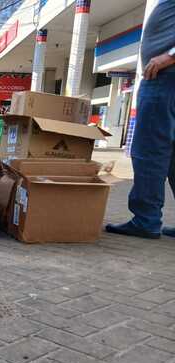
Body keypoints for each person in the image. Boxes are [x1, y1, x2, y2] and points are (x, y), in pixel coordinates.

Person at [106, 1, 175, 239]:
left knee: (149, 151)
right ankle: (148, 218)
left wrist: (170, 56)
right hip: (167, 77)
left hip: (165, 77)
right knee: (171, 154)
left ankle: (146, 219)